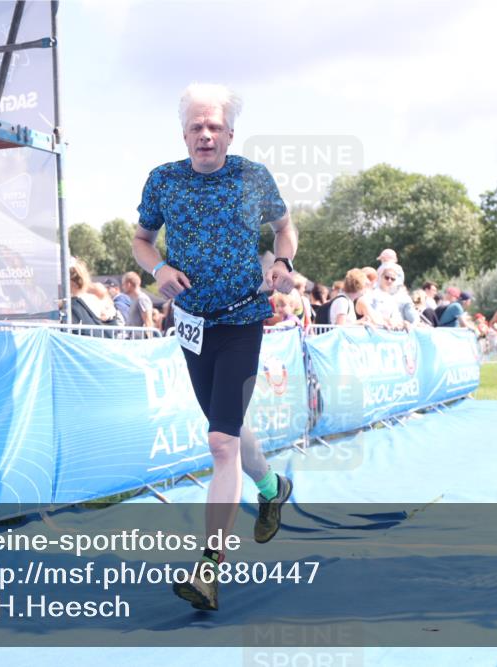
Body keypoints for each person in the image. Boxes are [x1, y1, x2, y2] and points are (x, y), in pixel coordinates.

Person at [132, 83, 296, 612]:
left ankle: (208, 571)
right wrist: (158, 268)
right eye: (196, 127)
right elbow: (142, 240)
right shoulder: (163, 180)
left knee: (220, 444)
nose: (206, 134)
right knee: (228, 427)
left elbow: (284, 229)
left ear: (229, 132)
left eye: (214, 126)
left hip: (244, 318)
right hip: (192, 325)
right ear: (184, 133)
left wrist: (282, 262)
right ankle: (272, 487)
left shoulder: (252, 177)